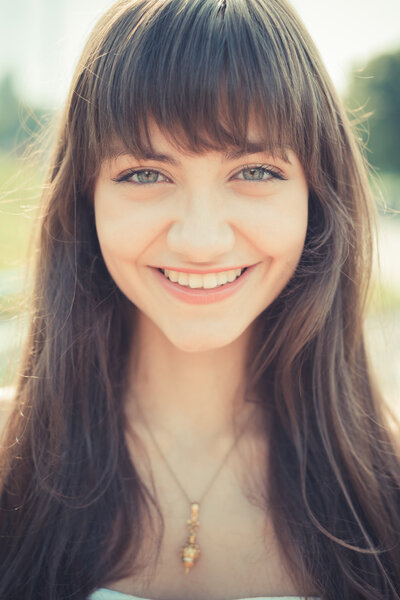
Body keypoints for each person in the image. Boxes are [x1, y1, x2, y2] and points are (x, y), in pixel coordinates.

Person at [0, 0, 399, 598]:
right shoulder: (9, 458)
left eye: (255, 171)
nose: (201, 240)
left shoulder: (386, 481)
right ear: (85, 202)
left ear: (317, 197)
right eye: (144, 174)